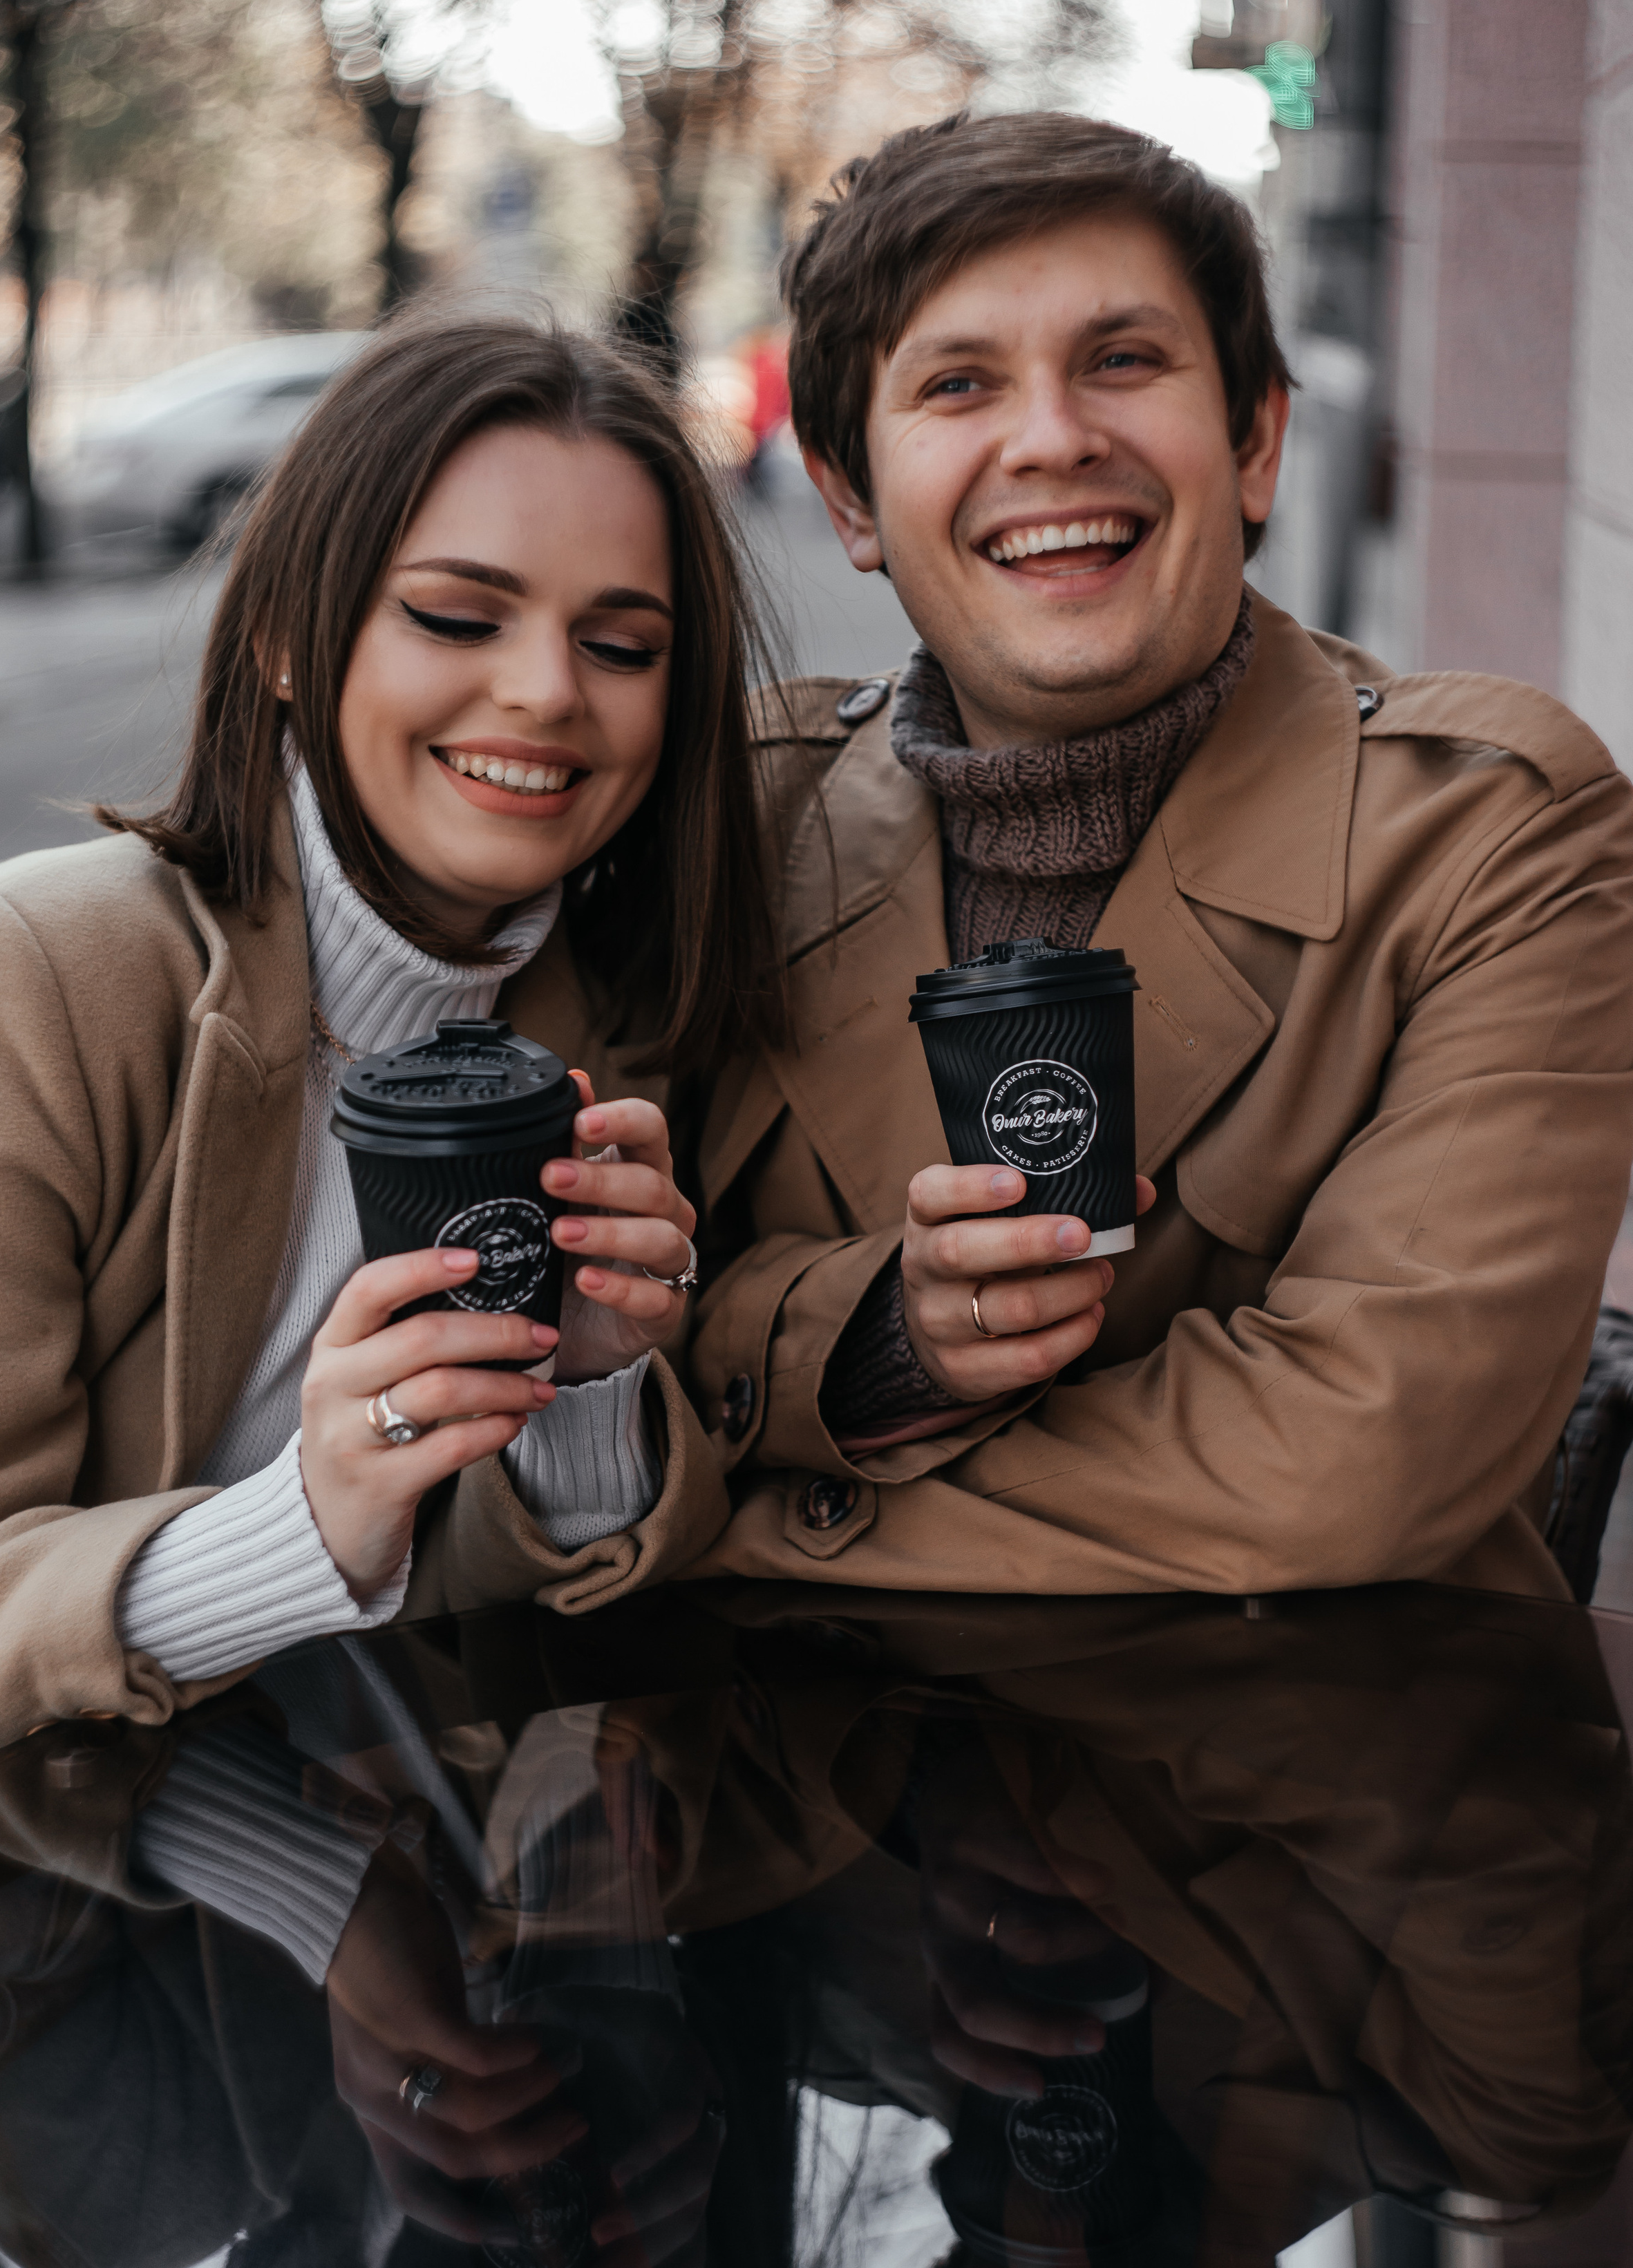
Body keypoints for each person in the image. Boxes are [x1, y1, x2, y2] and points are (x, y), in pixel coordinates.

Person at [685, 111, 1633, 1600]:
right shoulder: (734, 820)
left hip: (1310, 1798)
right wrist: (872, 1334)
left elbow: (1357, 1457)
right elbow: (584, 1342)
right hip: (774, 1792)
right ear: (850, 497)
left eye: (1120, 359)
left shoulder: (1491, 831)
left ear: (1253, 439)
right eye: (956, 383)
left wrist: (719, 1510)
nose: (1053, 435)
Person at [0, 314, 784, 1803]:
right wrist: (304, 1524)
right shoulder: (23, 985)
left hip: (399, 1883)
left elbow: (527, 1603)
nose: (549, 690)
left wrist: (588, 1386)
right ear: (290, 632)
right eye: (456, 615)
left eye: (621, 645)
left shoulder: (608, 1037)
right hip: (32, 1930)